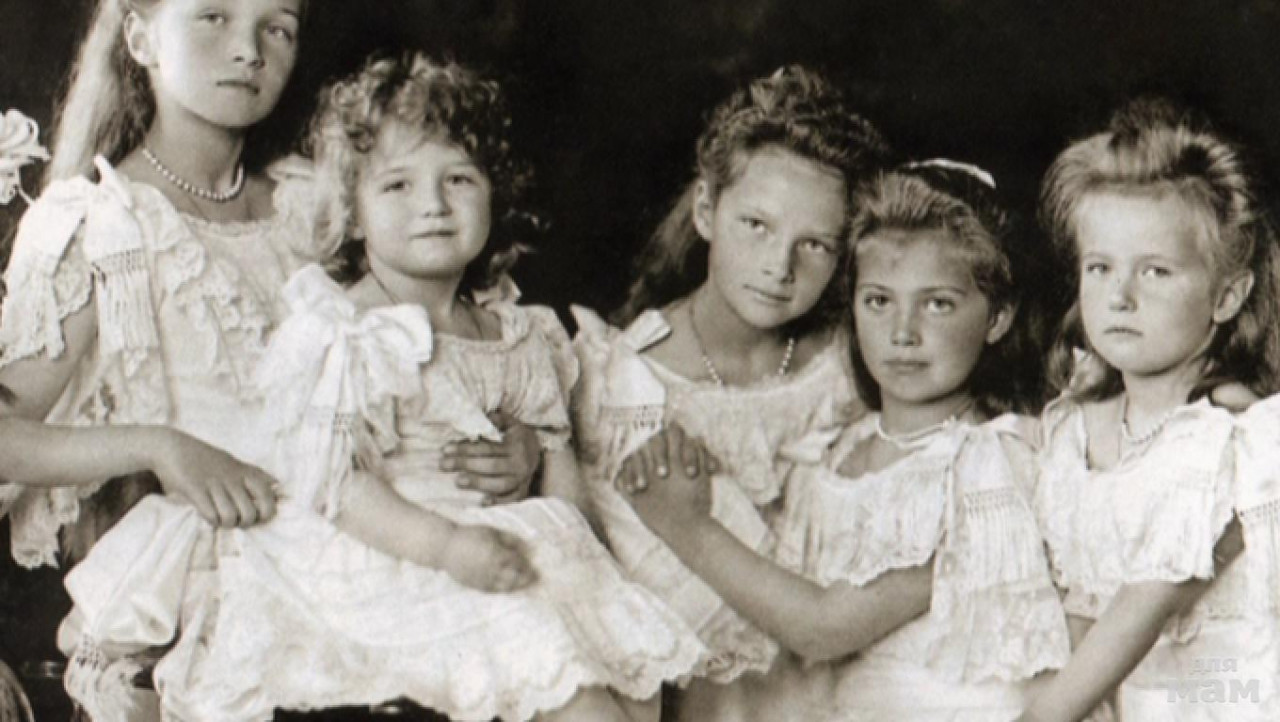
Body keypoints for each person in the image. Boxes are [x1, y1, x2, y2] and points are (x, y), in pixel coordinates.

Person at [68, 52, 704, 722]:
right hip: (389, 553)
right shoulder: (345, 331)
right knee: (571, 690)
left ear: (495, 195)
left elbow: (559, 468)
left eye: (459, 179)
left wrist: (586, 568)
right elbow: (335, 483)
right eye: (398, 185)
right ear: (353, 213)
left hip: (501, 545)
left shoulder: (520, 333)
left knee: (623, 678)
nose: (433, 205)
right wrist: (446, 546)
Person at [0, 1, 538, 717]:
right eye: (213, 18)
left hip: (382, 536)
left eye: (276, 27)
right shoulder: (104, 225)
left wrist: (521, 441)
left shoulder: (315, 205)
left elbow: (450, 343)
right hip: (231, 572)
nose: (249, 50)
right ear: (140, 38)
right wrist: (161, 447)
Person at [622, 160, 1072, 721]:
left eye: (938, 304)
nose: (903, 333)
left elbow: (821, 628)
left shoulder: (984, 462)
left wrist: (685, 524)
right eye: (879, 301)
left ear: (998, 317)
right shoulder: (833, 455)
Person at [570, 64, 890, 718]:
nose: (780, 267)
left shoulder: (852, 365)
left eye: (815, 244)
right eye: (756, 226)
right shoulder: (627, 384)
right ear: (705, 211)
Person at [1023, 98, 1280, 721]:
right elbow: (1078, 617)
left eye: (1156, 272)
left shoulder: (1237, 441)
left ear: (1226, 297)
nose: (1120, 296)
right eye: (1100, 267)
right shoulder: (1071, 432)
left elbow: (1143, 608)